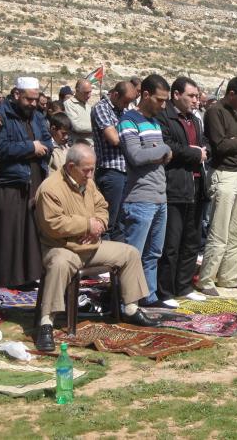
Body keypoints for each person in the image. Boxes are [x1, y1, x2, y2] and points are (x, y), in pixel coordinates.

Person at [33, 143, 157, 351]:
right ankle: (46, 323)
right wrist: (86, 225)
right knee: (59, 264)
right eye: (86, 170)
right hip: (63, 247)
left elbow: (102, 207)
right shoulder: (50, 188)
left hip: (90, 245)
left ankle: (131, 308)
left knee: (130, 253)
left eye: (93, 169)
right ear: (71, 166)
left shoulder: (88, 183)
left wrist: (97, 225)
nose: (90, 175)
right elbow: (53, 224)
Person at [0, 77, 52, 288]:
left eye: (35, 100)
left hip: (34, 178)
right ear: (16, 95)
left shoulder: (37, 116)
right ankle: (7, 278)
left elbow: (48, 142)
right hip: (11, 181)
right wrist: (30, 148)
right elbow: (1, 149)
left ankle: (28, 275)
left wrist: (40, 147)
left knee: (31, 231)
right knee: (11, 231)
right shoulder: (1, 115)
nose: (33, 104)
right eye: (29, 100)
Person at [117, 74, 172, 307]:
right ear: (146, 95)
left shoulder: (156, 123)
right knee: (133, 255)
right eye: (160, 100)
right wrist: (163, 150)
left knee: (153, 253)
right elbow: (136, 155)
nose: (164, 105)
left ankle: (148, 296)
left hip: (159, 195)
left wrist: (160, 152)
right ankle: (126, 302)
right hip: (140, 197)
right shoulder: (128, 121)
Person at [197, 77, 237, 295]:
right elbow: (220, 145)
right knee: (219, 231)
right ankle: (207, 279)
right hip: (224, 175)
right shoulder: (215, 111)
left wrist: (236, 141)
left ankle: (229, 277)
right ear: (231, 93)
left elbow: (232, 142)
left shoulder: (235, 113)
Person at [157, 77, 209, 301]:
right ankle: (166, 289)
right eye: (191, 96)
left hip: (197, 184)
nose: (196, 100)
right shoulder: (165, 116)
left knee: (192, 239)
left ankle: (184, 286)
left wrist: (202, 151)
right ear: (176, 95)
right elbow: (168, 146)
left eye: (197, 96)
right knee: (172, 242)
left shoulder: (195, 119)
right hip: (175, 185)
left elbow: (205, 143)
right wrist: (195, 153)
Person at [91, 81, 138, 241]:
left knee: (122, 221)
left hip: (126, 170)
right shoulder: (101, 108)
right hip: (111, 170)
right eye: (125, 101)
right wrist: (133, 138)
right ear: (116, 95)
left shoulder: (123, 110)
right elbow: (114, 139)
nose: (127, 105)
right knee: (109, 221)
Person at [64, 79, 94, 145]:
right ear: (77, 91)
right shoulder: (69, 104)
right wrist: (96, 127)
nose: (89, 95)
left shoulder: (87, 105)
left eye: (90, 92)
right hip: (79, 146)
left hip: (92, 144)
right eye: (86, 93)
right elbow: (76, 126)